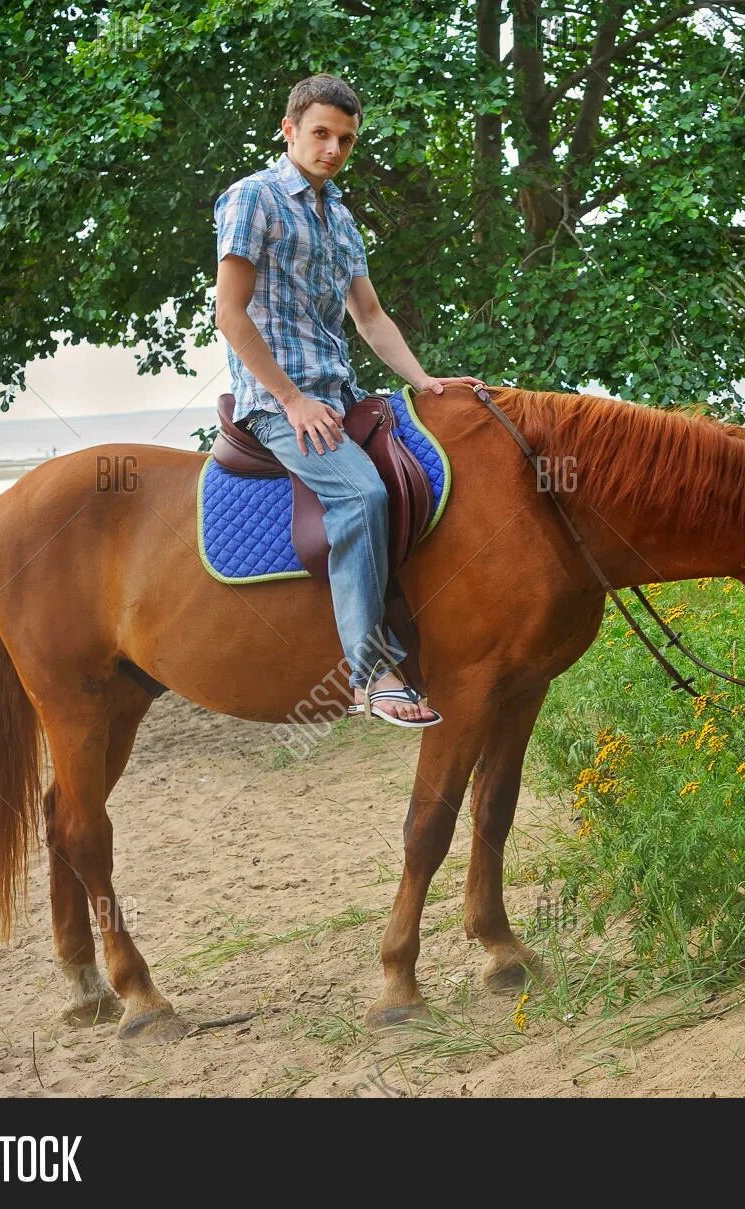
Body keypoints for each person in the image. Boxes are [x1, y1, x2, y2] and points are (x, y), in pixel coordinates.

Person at [214, 74, 482, 727]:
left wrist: (424, 383)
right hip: (276, 403)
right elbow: (230, 312)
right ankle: (369, 673)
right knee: (360, 495)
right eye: (321, 134)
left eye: (346, 140)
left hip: (341, 393)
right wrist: (292, 400)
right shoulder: (254, 199)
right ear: (290, 130)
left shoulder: (340, 216)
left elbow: (371, 315)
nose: (333, 149)